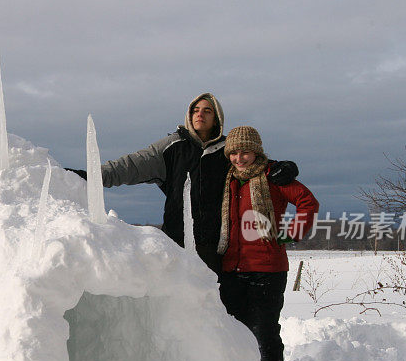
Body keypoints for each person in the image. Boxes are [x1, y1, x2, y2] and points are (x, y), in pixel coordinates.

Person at [68, 93, 299, 275]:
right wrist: (89, 175)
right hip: (176, 244)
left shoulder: (228, 150)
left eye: (207, 111)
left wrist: (281, 166)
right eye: (196, 110)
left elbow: (252, 163)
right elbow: (130, 166)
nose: (200, 114)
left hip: (217, 250)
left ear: (216, 118)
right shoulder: (171, 147)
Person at [217, 126, 319, 361]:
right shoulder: (227, 179)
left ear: (257, 151)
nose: (240, 158)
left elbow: (307, 202)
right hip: (232, 269)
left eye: (246, 152)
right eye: (234, 153)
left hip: (267, 268)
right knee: (234, 332)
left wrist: (290, 233)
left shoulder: (273, 176)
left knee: (264, 333)